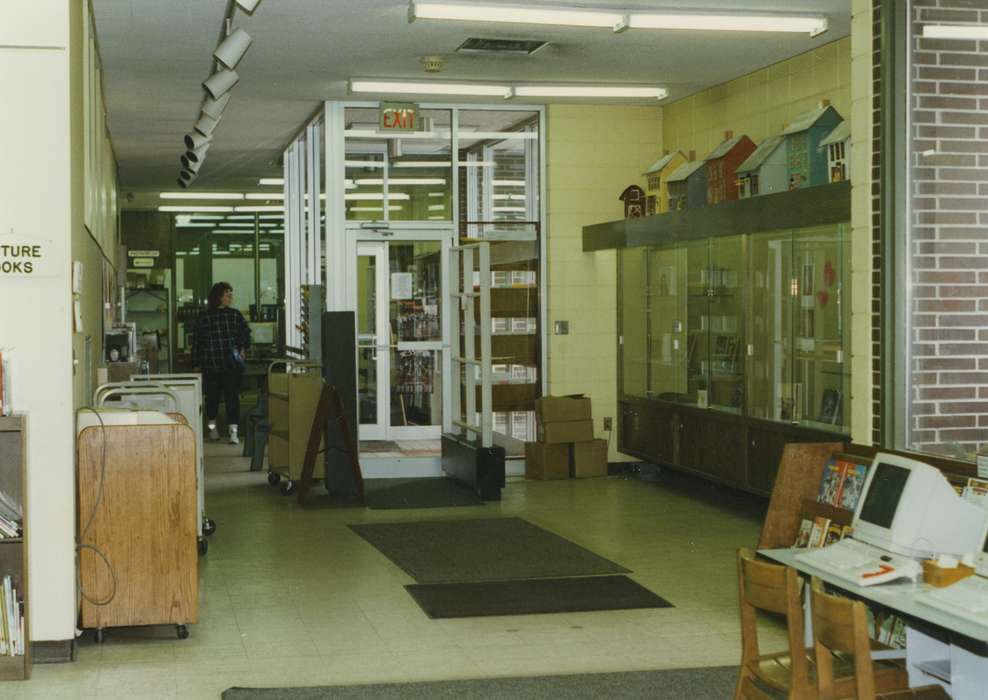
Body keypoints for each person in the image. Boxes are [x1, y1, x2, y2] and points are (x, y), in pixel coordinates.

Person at [192, 282, 251, 444]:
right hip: (211, 365)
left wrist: (243, 348)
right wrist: (196, 364)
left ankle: (234, 433)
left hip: (231, 366)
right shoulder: (204, 317)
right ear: (218, 297)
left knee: (233, 399)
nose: (230, 298)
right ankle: (212, 429)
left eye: (231, 294)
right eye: (227, 295)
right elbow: (197, 342)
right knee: (212, 400)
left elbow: (245, 333)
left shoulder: (235, 315)